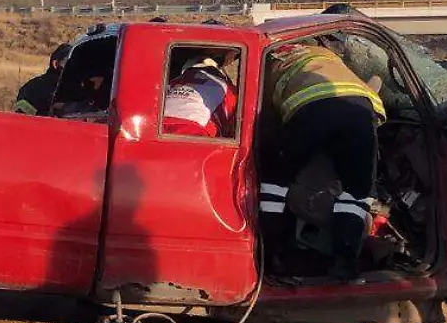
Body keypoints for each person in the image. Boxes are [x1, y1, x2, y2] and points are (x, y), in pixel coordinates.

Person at [261, 41, 386, 280]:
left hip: (311, 110)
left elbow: (265, 118)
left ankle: (271, 255)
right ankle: (344, 262)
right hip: (362, 111)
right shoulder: (327, 55)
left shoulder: (272, 61)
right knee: (357, 192)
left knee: (275, 182)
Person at [162, 55, 238, 138]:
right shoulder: (227, 89)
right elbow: (234, 126)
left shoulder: (173, 81)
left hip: (160, 126)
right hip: (196, 133)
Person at [14, 43, 71, 115]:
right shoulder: (32, 88)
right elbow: (21, 119)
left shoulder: (81, 89)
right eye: (66, 63)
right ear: (55, 63)